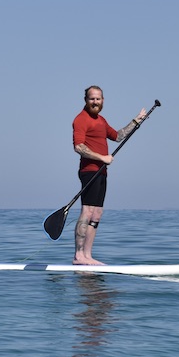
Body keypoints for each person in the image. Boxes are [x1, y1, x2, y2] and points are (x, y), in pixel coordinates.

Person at [71, 85, 147, 265]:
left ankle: (87, 256)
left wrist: (136, 121)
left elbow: (117, 136)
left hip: (102, 172)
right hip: (89, 171)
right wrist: (102, 157)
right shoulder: (81, 119)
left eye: (98, 99)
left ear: (103, 100)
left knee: (97, 214)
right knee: (87, 211)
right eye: (92, 98)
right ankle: (78, 256)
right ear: (86, 100)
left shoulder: (101, 120)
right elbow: (78, 146)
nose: (95, 102)